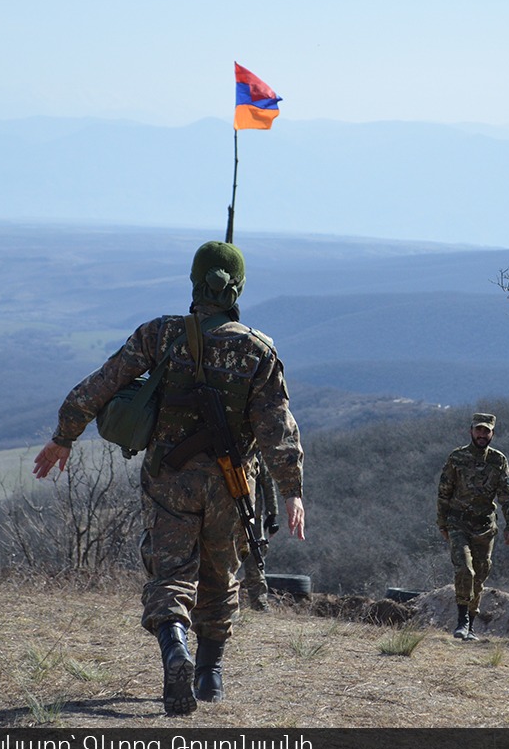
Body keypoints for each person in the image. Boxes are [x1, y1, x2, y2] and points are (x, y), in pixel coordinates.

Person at [32, 241, 305, 716]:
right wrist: (292, 490)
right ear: (237, 288)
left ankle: (174, 645)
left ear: (195, 283)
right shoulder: (257, 349)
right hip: (232, 483)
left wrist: (64, 436)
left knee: (170, 571)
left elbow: (103, 383)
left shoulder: (160, 335)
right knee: (221, 574)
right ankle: (209, 673)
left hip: (169, 478)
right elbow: (276, 427)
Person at [436, 412, 509, 640]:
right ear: (471, 431)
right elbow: (444, 492)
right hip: (458, 523)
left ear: (492, 433)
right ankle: (461, 621)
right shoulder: (457, 458)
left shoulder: (498, 461)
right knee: (464, 569)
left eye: (486, 431)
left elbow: (507, 496)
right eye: (478, 430)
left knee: (479, 576)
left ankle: (470, 625)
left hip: (484, 527)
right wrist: (442, 523)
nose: (482, 435)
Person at [240, 451, 280, 611]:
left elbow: (266, 480)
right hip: (223, 512)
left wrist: (273, 513)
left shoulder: (252, 448)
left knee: (255, 558)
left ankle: (259, 603)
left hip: (252, 513)